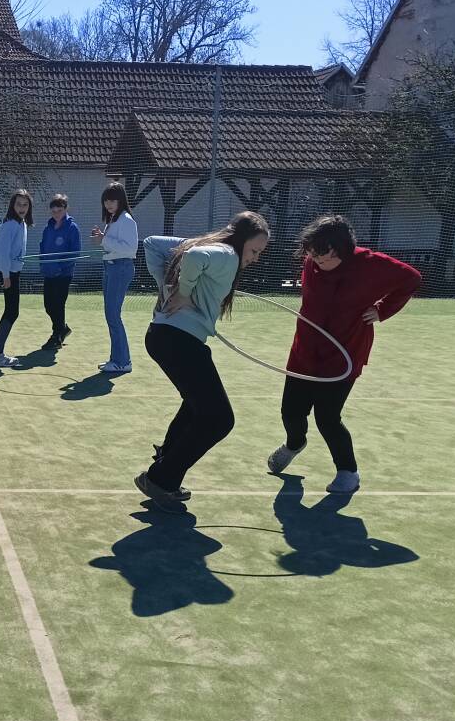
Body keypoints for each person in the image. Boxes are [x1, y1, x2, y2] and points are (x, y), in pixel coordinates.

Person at [267, 215, 422, 493]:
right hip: (305, 349)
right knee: (291, 411)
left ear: (341, 251)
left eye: (322, 256)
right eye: (311, 255)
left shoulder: (371, 264)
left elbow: (411, 278)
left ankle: (348, 472)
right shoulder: (313, 260)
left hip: (345, 353)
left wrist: (383, 310)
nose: (315, 261)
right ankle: (294, 444)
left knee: (327, 418)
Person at [137, 211, 271, 508]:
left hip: (164, 337)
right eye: (254, 250)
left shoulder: (217, 250)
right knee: (220, 419)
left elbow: (151, 243)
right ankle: (161, 479)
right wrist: (181, 292)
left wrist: (167, 288)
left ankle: (165, 464)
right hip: (178, 340)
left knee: (197, 406)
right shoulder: (227, 255)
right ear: (241, 240)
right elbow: (195, 256)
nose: (255, 258)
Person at [90, 183, 138, 373]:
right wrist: (103, 238)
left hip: (120, 268)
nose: (108, 204)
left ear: (121, 201)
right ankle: (116, 359)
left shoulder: (126, 220)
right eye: (106, 201)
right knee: (111, 315)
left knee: (113, 315)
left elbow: (130, 249)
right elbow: (113, 244)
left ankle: (123, 361)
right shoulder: (114, 219)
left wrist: (103, 239)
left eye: (112, 200)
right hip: (111, 267)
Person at [0, 189, 32, 367]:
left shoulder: (22, 224)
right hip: (7, 273)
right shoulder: (10, 225)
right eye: (18, 204)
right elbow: (2, 252)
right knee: (11, 312)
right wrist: (6, 275)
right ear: (12, 206)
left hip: (14, 272)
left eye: (25, 204)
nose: (22, 208)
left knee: (12, 311)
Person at [38, 194, 79, 350]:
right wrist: (43, 265)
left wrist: (61, 267)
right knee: (48, 306)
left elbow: (75, 253)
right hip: (48, 273)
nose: (56, 214)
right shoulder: (48, 228)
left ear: (66, 209)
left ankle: (56, 336)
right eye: (54, 211)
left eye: (59, 210)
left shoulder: (72, 228)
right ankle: (63, 328)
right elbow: (43, 248)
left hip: (63, 275)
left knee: (58, 304)